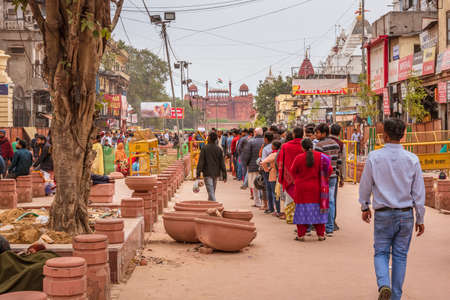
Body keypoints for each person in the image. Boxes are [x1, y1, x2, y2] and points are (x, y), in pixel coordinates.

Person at [359, 118, 425, 300]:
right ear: (403, 135)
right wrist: (420, 218)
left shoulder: (374, 157)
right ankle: (395, 295)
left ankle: (384, 284)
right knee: (400, 256)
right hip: (405, 215)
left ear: (384, 135)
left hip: (383, 214)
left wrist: (364, 206)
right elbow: (418, 193)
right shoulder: (412, 159)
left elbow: (365, 185)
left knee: (381, 252)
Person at [290, 138, 332, 241]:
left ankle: (301, 235)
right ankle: (321, 235)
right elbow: (329, 170)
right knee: (318, 211)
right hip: (317, 189)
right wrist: (323, 179)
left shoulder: (299, 158)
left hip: (302, 189)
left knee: (302, 211)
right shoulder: (322, 157)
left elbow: (292, 171)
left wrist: (298, 179)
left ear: (302, 147)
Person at [314, 124, 340, 237]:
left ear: (324, 133)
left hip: (323, 177)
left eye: (318, 133)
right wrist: (339, 174)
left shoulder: (319, 146)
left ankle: (323, 226)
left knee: (321, 201)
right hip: (333, 176)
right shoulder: (335, 144)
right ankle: (330, 227)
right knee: (331, 201)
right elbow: (338, 161)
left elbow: (317, 163)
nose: (316, 135)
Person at [277, 127, 304, 223]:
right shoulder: (305, 145)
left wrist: (281, 176)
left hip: (288, 176)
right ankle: (301, 218)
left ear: (293, 135)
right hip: (303, 177)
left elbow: (280, 161)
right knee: (302, 198)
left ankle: (291, 218)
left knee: (289, 198)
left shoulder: (285, 146)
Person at [196, 132, 227, 202]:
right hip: (216, 174)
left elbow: (201, 162)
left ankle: (216, 206)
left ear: (209, 138)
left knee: (211, 192)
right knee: (212, 191)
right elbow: (222, 163)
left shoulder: (204, 148)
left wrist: (198, 173)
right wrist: (224, 175)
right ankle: (211, 206)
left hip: (207, 173)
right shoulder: (219, 149)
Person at [242, 128, 265, 208]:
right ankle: (265, 203)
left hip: (253, 166)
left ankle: (257, 202)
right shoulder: (265, 141)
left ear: (255, 133)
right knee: (263, 184)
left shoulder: (251, 141)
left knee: (255, 185)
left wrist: (245, 164)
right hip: (264, 166)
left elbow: (246, 154)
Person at [329, 123, 345, 230]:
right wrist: (342, 177)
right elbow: (342, 161)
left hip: (321, 174)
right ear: (339, 132)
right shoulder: (340, 144)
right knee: (332, 199)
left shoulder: (322, 142)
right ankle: (332, 222)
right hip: (334, 174)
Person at [261, 140, 282, 216]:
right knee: (277, 193)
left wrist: (267, 169)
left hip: (273, 174)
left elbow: (263, 162)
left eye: (272, 145)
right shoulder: (280, 153)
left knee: (274, 193)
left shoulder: (273, 154)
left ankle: (277, 210)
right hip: (279, 173)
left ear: (274, 146)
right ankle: (278, 209)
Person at [261, 131, 274, 213]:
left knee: (269, 189)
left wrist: (266, 169)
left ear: (266, 139)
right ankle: (276, 208)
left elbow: (263, 161)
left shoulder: (265, 149)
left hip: (267, 171)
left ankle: (271, 207)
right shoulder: (275, 147)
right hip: (275, 170)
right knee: (274, 190)